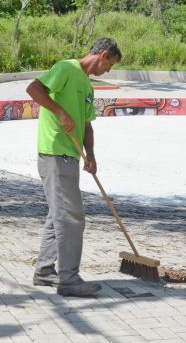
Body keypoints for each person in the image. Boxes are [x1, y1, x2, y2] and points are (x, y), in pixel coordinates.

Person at [25, 37, 122, 297]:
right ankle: (69, 279)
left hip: (72, 156)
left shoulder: (88, 86)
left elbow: (88, 125)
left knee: (58, 216)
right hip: (54, 153)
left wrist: (91, 155)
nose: (108, 71)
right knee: (72, 218)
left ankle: (44, 271)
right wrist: (60, 112)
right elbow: (34, 89)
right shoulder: (66, 68)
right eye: (110, 64)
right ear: (102, 55)